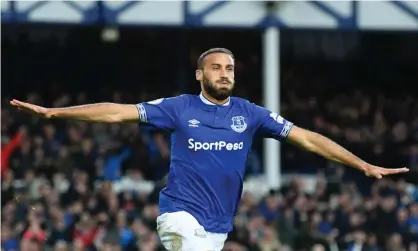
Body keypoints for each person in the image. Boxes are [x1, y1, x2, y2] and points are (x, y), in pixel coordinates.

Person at [10, 48, 409, 251]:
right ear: (200, 74)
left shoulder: (250, 114)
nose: (224, 73)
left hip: (218, 227)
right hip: (178, 216)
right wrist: (54, 113)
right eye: (216, 67)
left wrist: (361, 164)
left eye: (230, 68)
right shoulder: (179, 108)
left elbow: (306, 137)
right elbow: (116, 113)